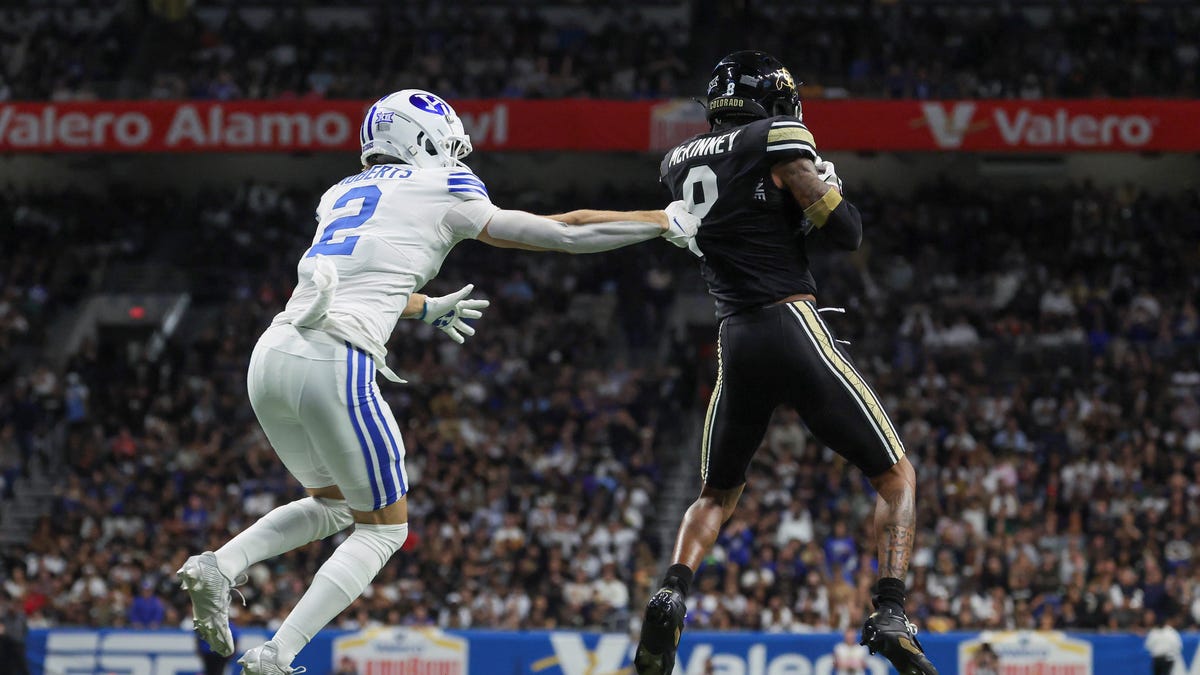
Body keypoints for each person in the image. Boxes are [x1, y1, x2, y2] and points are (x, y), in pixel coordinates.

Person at [177, 89, 699, 675]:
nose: (455, 156)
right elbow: (564, 232)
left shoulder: (340, 192)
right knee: (384, 531)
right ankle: (277, 654)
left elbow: (358, 277)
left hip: (273, 352)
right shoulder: (445, 186)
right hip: (336, 358)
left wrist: (423, 308)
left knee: (335, 506)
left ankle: (221, 564)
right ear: (424, 141)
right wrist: (660, 222)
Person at [633, 52, 935, 675]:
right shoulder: (776, 137)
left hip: (734, 336)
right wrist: (828, 191)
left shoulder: (676, 162)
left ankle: (672, 589)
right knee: (897, 475)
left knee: (715, 494)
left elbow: (750, 215)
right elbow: (845, 232)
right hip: (791, 321)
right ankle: (889, 608)